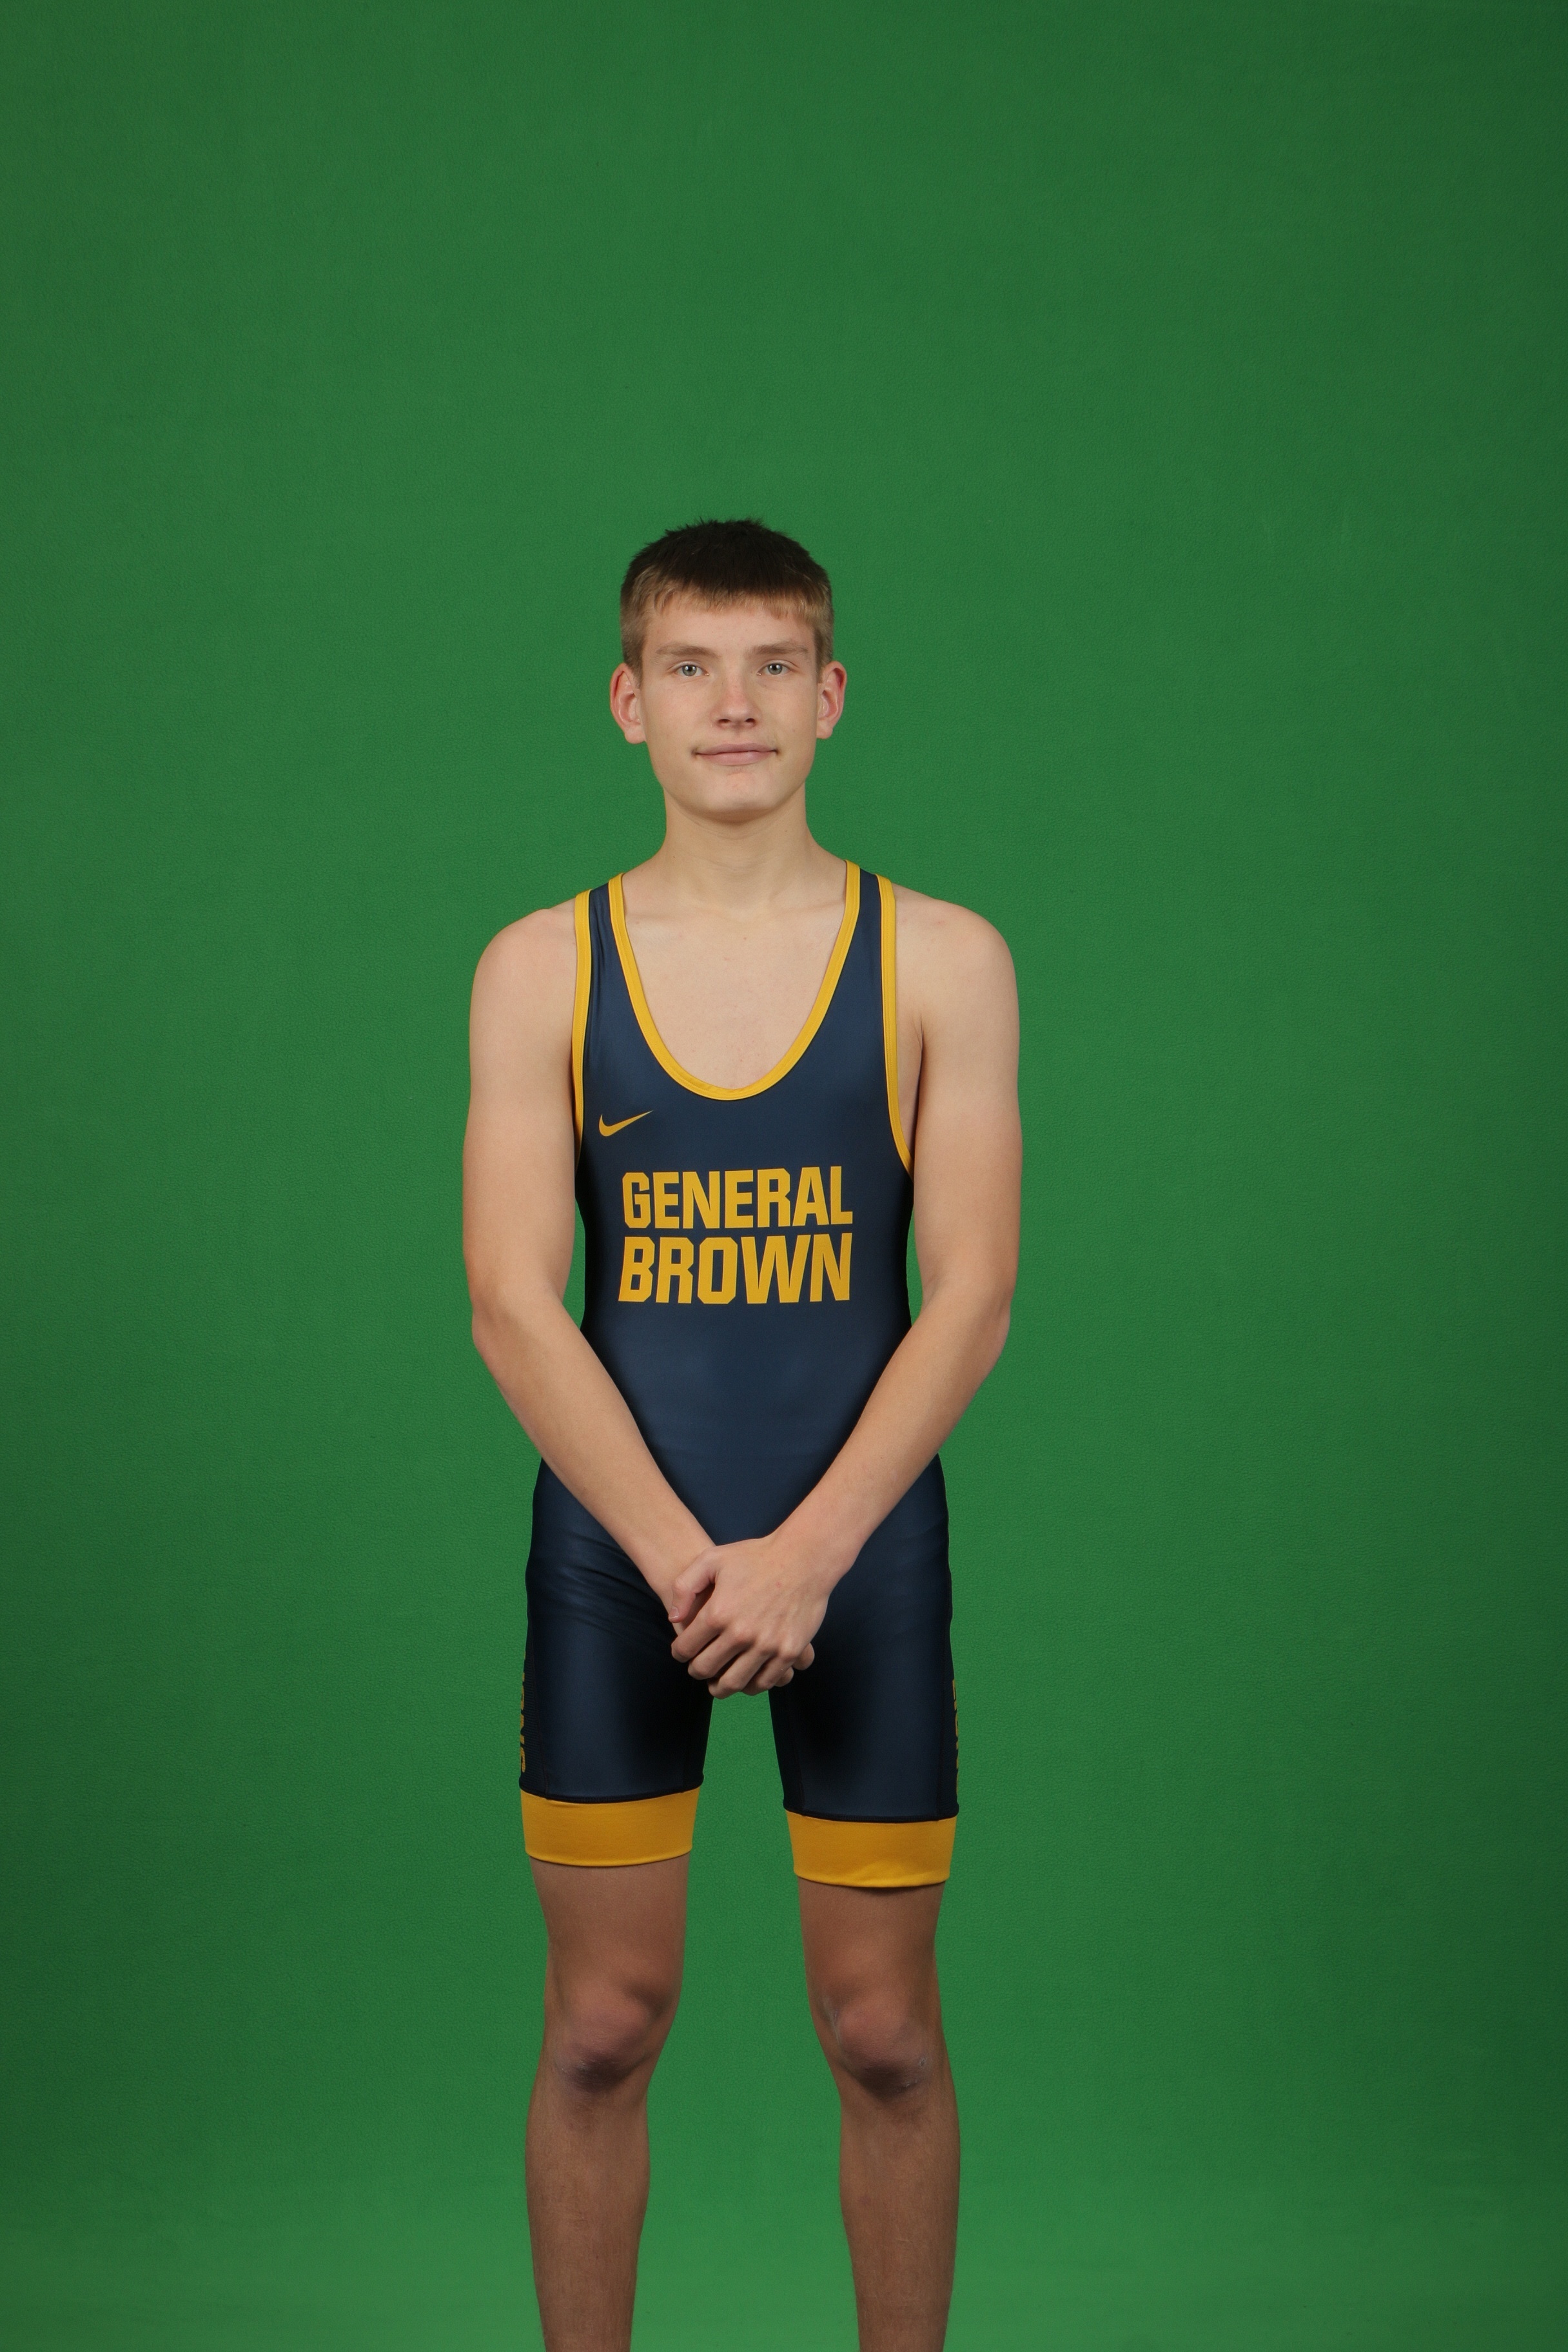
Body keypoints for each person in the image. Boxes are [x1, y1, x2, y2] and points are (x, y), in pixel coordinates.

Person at [463, 518, 1021, 2352]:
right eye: (691, 666)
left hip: (858, 1554)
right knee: (599, 2030)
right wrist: (692, 1563)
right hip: (621, 1561)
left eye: (774, 665)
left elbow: (972, 1293)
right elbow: (512, 1299)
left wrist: (807, 1556)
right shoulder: (540, 966)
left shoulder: (941, 959)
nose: (735, 704)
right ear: (629, 703)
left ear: (830, 696)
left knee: (885, 2035)